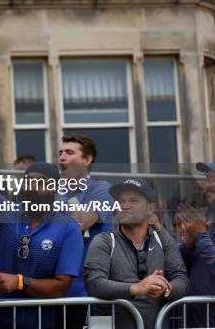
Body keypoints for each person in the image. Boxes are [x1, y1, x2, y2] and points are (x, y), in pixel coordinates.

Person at [0, 90, 83, 329]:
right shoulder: (4, 212)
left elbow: (61, 286)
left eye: (41, 181)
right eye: (28, 180)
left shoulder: (67, 228)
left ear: (54, 190)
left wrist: (21, 282)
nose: (33, 185)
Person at [84, 178, 189, 329]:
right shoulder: (104, 240)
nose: (125, 206)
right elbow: (94, 283)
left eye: (133, 200)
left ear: (150, 209)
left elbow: (181, 279)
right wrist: (137, 288)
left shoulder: (163, 239)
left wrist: (167, 288)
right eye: (120, 201)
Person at [55, 134, 114, 328]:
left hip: (89, 291)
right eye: (60, 152)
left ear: (87, 160)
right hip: (55, 289)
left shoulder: (101, 189)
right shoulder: (55, 193)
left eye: (69, 152)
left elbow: (76, 225)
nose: (62, 157)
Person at [174, 162, 215, 328]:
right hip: (195, 320)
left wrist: (201, 235)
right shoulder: (208, 219)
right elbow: (189, 261)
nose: (208, 184)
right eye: (207, 178)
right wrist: (189, 245)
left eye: (214, 179)